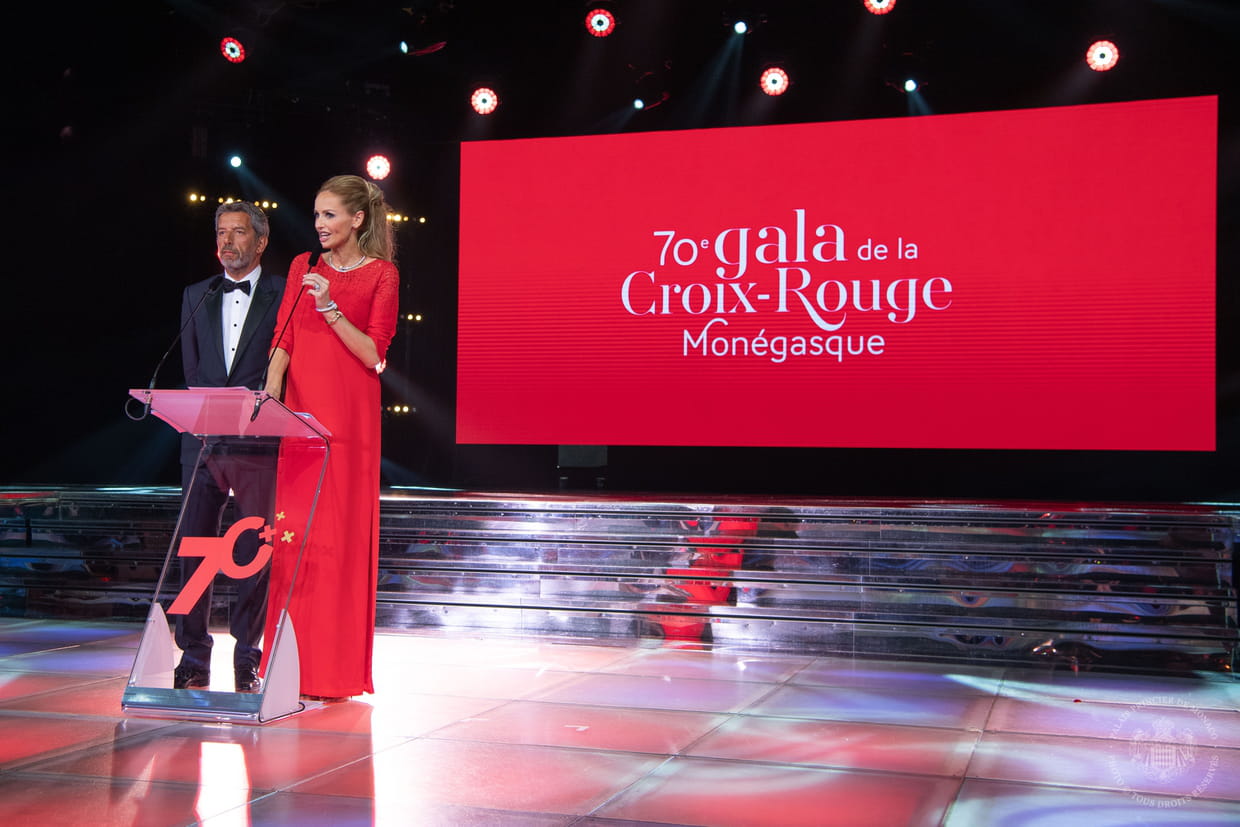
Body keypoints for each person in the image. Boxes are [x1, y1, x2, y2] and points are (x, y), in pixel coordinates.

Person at [261, 174, 400, 700]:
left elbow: (374, 353)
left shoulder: (382, 273)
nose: (319, 224)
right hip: (301, 414)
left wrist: (330, 307)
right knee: (296, 535)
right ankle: (288, 666)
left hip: (349, 416)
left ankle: (333, 671)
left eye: (330, 215)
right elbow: (283, 336)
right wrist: (270, 391)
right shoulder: (304, 265)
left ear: (357, 219)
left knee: (339, 534)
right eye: (317, 214)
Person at [174, 202, 285, 692]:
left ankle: (247, 657)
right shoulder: (196, 293)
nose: (227, 241)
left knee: (252, 552)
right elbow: (193, 369)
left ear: (260, 241)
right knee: (193, 550)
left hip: (257, 442)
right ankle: (193, 656)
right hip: (202, 443)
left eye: (238, 232)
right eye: (221, 232)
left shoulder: (282, 293)